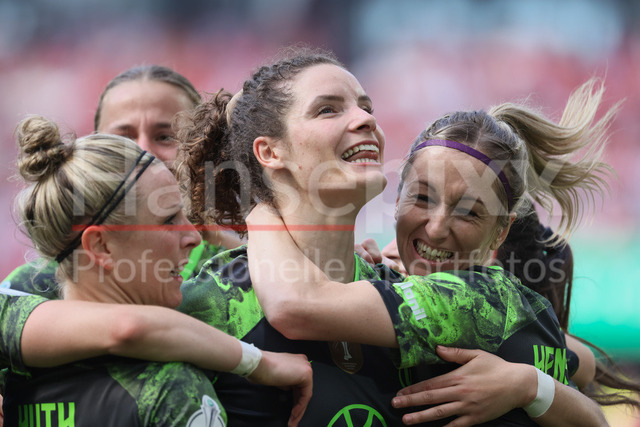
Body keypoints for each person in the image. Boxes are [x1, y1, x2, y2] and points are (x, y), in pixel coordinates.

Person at [241, 77, 620, 425]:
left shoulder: (481, 298)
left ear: (500, 232)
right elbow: (584, 367)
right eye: (422, 198)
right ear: (398, 198)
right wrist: (534, 385)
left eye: (468, 212)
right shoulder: (503, 312)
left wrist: (262, 208)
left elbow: (296, 306)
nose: (436, 228)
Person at [1, 116, 312, 426]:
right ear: (102, 246)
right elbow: (129, 328)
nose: (193, 236)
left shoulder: (12, 365)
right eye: (168, 220)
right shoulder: (170, 389)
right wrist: (257, 363)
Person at [1, 65, 242, 298]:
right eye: (121, 140)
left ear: (203, 148)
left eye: (165, 136)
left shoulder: (246, 270)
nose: (144, 152)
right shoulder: (40, 284)